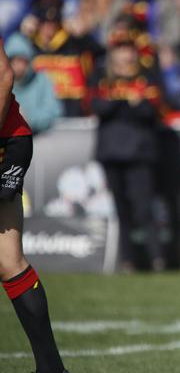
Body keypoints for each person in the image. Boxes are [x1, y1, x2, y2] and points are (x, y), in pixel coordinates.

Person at [0, 36, 68, 373]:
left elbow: (3, 75)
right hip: (11, 138)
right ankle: (52, 368)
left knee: (9, 260)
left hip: (6, 139)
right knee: (8, 260)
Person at [87, 39, 164, 271]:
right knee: (121, 209)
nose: (125, 54)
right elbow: (97, 107)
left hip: (139, 152)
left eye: (129, 49)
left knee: (144, 208)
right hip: (112, 152)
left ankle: (157, 259)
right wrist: (127, 103)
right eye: (120, 50)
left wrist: (121, 104)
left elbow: (151, 110)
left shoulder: (147, 76)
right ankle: (128, 260)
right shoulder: (101, 76)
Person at [5, 32, 62, 134]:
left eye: (22, 60)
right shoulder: (3, 84)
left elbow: (54, 111)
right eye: (14, 60)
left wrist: (28, 118)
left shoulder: (42, 80)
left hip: (38, 141)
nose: (18, 66)